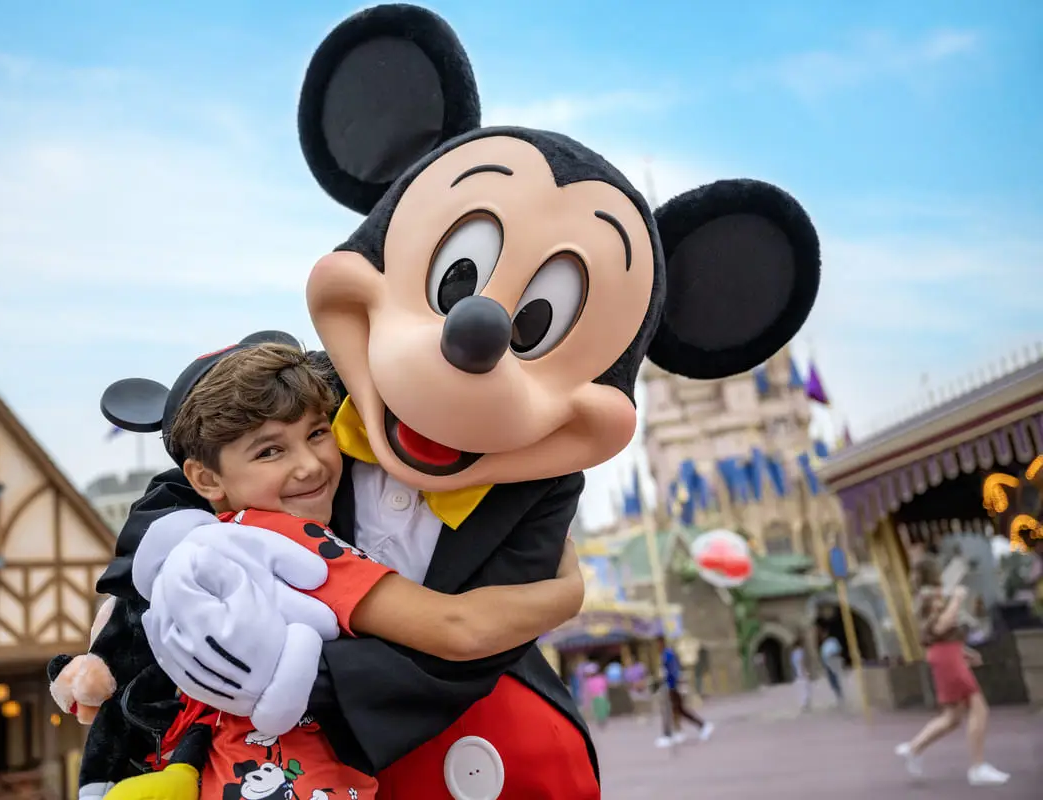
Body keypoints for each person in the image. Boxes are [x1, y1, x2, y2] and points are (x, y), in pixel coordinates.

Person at [58, 6, 823, 797]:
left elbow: (463, 647)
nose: (479, 329)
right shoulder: (324, 390)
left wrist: (298, 679)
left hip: (446, 741)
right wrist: (179, 558)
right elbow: (189, 481)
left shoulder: (540, 489)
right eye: (458, 281)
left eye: (532, 326)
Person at [101, 343, 586, 799]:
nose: (309, 465)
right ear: (204, 478)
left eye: (317, 433)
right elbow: (454, 628)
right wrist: (565, 596)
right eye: (270, 451)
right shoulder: (289, 541)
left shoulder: (205, 548)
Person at [895, 559, 1010, 787]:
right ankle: (977, 768)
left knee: (953, 717)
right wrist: (957, 598)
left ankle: (914, 748)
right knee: (979, 708)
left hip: (948, 655)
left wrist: (964, 652)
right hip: (947, 658)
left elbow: (941, 635)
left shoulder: (928, 596)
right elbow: (940, 626)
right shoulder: (929, 597)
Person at [655, 635, 713, 748]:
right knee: (677, 710)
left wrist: (672, 684)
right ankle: (682, 730)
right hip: (672, 685)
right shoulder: (666, 654)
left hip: (672, 686)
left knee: (671, 710)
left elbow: (673, 671)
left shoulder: (668, 654)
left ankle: (669, 734)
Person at [816, 621, 845, 706]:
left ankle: (841, 696)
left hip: (833, 661)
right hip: (827, 664)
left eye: (823, 633)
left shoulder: (832, 641)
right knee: (832, 681)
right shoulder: (823, 644)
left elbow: (838, 650)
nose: (822, 635)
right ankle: (837, 696)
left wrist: (835, 658)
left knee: (837, 679)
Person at [790, 639, 811, 712]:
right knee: (806, 687)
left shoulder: (793, 654)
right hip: (801, 671)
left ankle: (802, 703)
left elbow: (793, 665)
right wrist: (805, 671)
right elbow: (801, 662)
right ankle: (805, 704)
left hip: (797, 673)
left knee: (800, 688)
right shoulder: (800, 652)